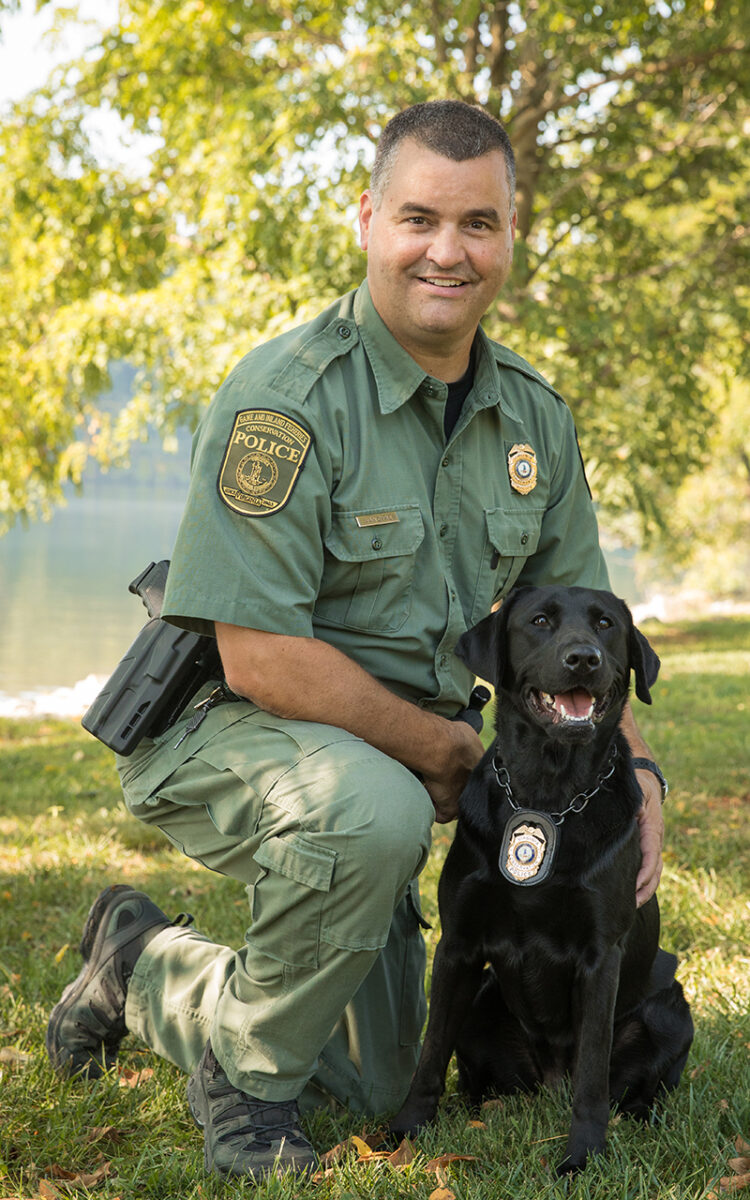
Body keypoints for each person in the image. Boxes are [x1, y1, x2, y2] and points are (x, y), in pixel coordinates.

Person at [46, 100, 666, 1180]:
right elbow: (259, 658)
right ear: (367, 217)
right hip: (224, 728)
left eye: (479, 224)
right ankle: (244, 1086)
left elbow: (590, 635)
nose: (446, 250)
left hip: (373, 761)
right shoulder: (286, 401)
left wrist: (644, 773)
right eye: (418, 217)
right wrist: (441, 753)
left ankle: (139, 962)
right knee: (374, 817)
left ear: (512, 235)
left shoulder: (534, 420)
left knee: (386, 1081)